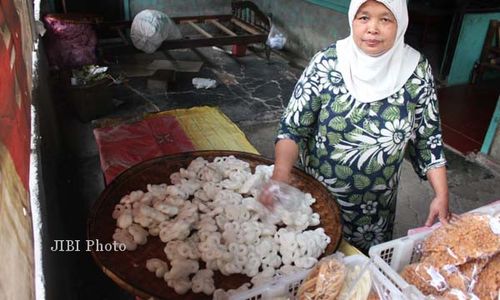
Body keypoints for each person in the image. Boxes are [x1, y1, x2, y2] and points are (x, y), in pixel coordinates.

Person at [260, 0, 450, 253]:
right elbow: (293, 127)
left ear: (401, 22)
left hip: (375, 213)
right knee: (318, 268)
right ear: (352, 19)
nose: (373, 28)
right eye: (364, 17)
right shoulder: (327, 63)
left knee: (360, 274)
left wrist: (441, 193)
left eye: (385, 19)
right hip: (319, 200)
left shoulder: (416, 71)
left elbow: (429, 139)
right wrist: (281, 175)